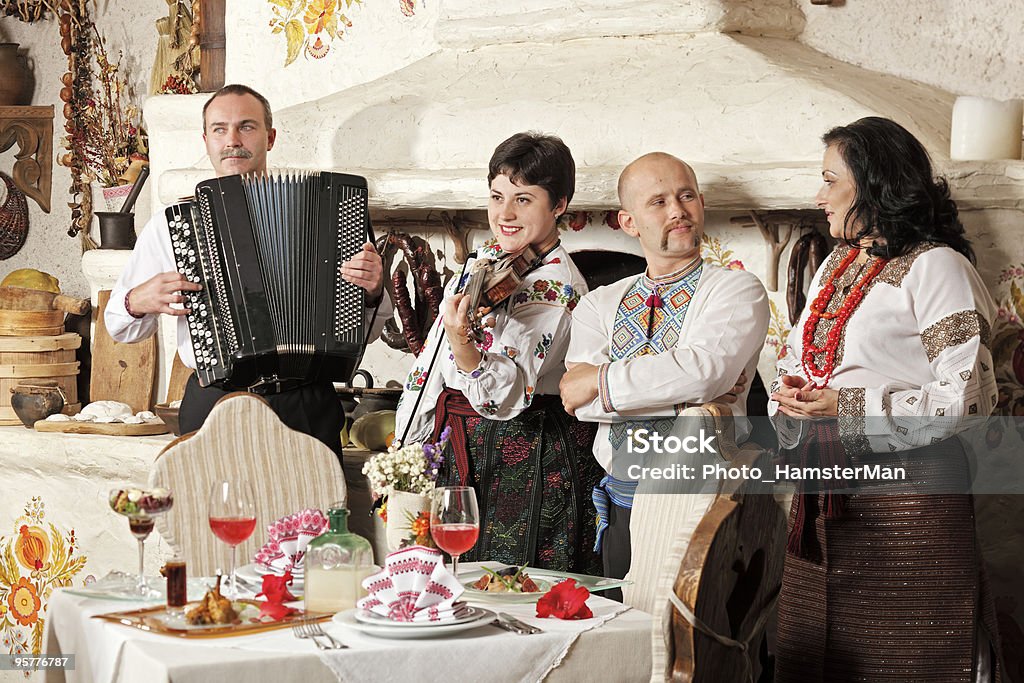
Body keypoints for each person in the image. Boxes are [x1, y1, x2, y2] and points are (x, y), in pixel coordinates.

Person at [769, 116, 1002, 682]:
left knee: (909, 652)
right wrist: (795, 401)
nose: (817, 197)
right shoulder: (836, 263)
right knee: (819, 650)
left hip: (911, 502)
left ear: (873, 186)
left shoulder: (937, 267)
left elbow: (967, 399)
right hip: (827, 491)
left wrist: (845, 406)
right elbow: (799, 361)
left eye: (830, 181)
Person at [106, 84, 389, 458]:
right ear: (205, 140)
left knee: (315, 516)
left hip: (304, 404)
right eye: (220, 129)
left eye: (247, 127)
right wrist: (137, 300)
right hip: (214, 403)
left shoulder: (328, 212)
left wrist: (371, 291)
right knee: (210, 516)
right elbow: (118, 325)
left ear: (270, 138)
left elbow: (369, 332)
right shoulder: (170, 225)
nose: (232, 140)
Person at [394, 132, 602, 573]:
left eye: (524, 200)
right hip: (462, 446)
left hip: (524, 455)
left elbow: (502, 396)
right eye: (496, 196)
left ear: (559, 205)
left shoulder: (553, 285)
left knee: (505, 589)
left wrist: (461, 339)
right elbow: (431, 361)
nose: (504, 214)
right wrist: (409, 441)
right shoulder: (491, 259)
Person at [560, 152, 769, 583]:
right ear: (629, 222)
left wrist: (599, 380)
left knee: (699, 644)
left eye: (686, 195)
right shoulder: (599, 304)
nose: (678, 210)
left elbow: (706, 371)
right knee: (625, 639)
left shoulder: (736, 289)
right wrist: (687, 398)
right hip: (622, 507)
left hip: (706, 507)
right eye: (658, 201)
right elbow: (573, 399)